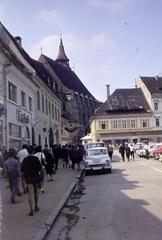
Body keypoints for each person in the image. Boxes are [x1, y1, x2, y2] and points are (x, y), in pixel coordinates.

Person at [21, 145, 42, 216]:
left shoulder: (25, 160)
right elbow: (39, 168)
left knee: (30, 193)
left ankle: (31, 210)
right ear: (33, 151)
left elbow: (22, 170)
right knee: (36, 192)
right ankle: (36, 207)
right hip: (35, 177)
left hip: (28, 178)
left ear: (27, 151)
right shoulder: (36, 158)